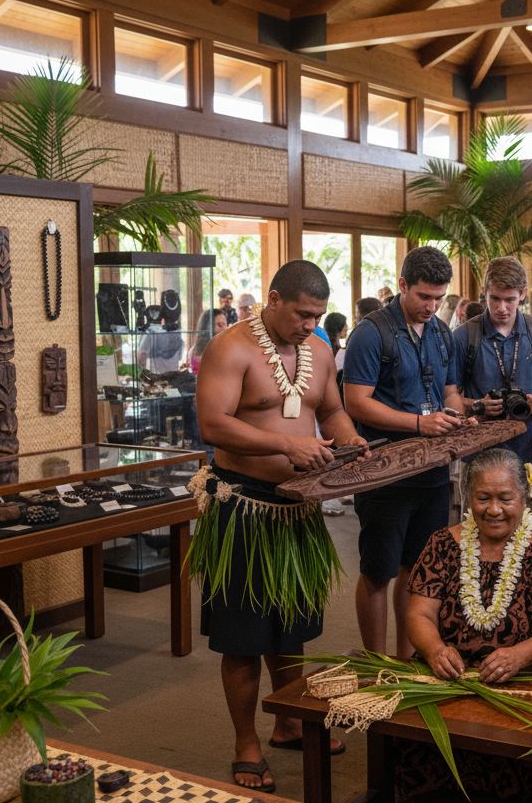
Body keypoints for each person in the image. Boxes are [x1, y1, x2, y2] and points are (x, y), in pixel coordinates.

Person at [194, 259, 366, 791]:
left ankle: (289, 721)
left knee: (291, 627)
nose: (310, 325)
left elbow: (331, 410)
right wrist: (287, 442)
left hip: (299, 508)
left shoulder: (318, 350)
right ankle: (246, 742)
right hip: (243, 506)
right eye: (301, 314)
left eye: (317, 316)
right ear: (272, 298)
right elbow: (212, 423)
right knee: (243, 637)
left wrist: (350, 439)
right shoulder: (231, 347)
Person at [402, 448, 532, 801]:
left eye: (505, 498)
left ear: (524, 496)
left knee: (521, 760)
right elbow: (419, 614)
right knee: (419, 747)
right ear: (467, 498)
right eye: (483, 498)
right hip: (452, 676)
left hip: (531, 677)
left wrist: (518, 656)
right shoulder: (443, 544)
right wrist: (434, 649)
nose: (494, 509)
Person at [343, 246, 470, 657]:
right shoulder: (370, 332)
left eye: (438, 298)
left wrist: (458, 414)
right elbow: (356, 403)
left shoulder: (442, 333)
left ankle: (405, 660)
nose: (432, 306)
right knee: (378, 573)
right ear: (402, 286)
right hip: (384, 475)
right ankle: (377, 664)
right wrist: (419, 423)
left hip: (432, 473)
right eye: (423, 297)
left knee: (418, 573)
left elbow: (449, 391)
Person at [453, 257, 532, 466]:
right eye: (495, 298)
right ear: (484, 292)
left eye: (510, 299)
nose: (502, 307)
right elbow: (447, 398)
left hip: (530, 452)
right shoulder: (464, 336)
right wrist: (478, 405)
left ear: (523, 294)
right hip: (478, 453)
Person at [189, 307, 228, 374]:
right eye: (219, 325)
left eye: (225, 324)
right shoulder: (195, 350)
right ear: (207, 327)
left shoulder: (194, 349)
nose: (224, 329)